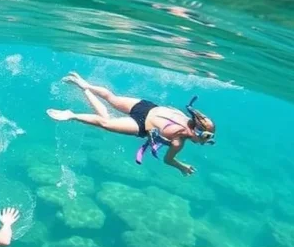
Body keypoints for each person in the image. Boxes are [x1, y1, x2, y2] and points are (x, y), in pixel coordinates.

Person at [47, 72, 216, 176]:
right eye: (206, 139)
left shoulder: (181, 116)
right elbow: (168, 159)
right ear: (199, 132)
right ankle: (72, 114)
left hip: (146, 106)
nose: (204, 143)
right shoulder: (178, 141)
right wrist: (182, 166)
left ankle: (86, 86)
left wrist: (181, 166)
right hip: (141, 123)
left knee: (110, 99)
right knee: (106, 122)